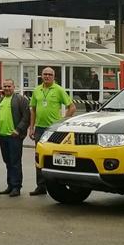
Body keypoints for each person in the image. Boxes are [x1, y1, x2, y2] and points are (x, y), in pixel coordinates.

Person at [27, 67, 75, 195]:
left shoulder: (58, 90)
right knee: (39, 157)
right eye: (45, 74)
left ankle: (57, 184)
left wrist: (63, 122)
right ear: (41, 76)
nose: (47, 76)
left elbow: (72, 107)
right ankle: (41, 186)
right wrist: (31, 127)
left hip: (54, 130)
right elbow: (33, 109)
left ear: (54, 77)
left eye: (50, 74)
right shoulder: (37, 90)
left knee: (56, 156)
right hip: (39, 128)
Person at [0, 79, 30, 197]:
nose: (7, 88)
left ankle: (16, 187)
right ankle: (10, 185)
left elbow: (26, 117)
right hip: (2, 136)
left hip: (14, 137)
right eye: (5, 86)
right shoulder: (0, 101)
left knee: (15, 162)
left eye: (9, 86)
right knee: (7, 161)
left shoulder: (21, 100)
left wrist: (18, 130)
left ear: (14, 87)